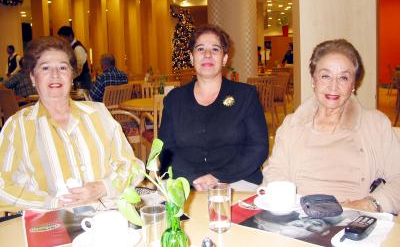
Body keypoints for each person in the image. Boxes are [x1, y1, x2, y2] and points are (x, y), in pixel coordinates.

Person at [0, 36, 143, 212]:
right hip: (50, 226)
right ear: (32, 77)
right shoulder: (17, 127)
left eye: (62, 67)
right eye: (45, 68)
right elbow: (3, 188)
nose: (55, 74)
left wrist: (103, 187)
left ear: (72, 75)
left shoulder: (98, 114)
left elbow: (134, 167)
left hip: (106, 219)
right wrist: (53, 203)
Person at [263, 39, 400, 214]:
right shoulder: (292, 124)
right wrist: (288, 205)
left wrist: (371, 203)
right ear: (313, 80)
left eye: (344, 77)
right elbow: (276, 172)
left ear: (354, 84)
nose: (333, 86)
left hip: (354, 219)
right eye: (325, 76)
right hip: (299, 217)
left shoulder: (376, 124)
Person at [159, 25, 269, 191]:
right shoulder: (174, 100)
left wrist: (218, 176)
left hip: (236, 180)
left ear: (224, 58)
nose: (207, 54)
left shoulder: (245, 95)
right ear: (191, 57)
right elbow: (166, 148)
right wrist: (194, 177)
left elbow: (258, 147)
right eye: (200, 49)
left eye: (215, 49)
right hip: (185, 182)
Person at [57, 26, 92, 90]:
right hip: (78, 81)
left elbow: (79, 67)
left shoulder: (77, 48)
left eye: (63, 38)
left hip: (82, 82)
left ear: (70, 36)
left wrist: (69, 77)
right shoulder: (69, 47)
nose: (61, 41)